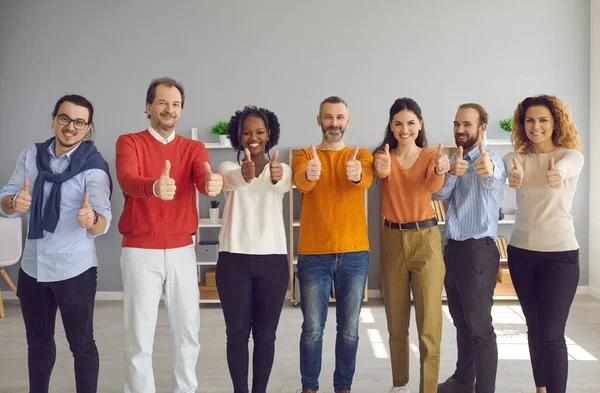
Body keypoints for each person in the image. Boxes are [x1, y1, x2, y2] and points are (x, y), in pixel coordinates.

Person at [115, 77, 223, 393]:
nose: (169, 109)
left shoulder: (193, 148)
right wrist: (153, 187)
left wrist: (212, 184)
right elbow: (126, 179)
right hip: (139, 251)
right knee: (139, 337)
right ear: (148, 107)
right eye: (162, 103)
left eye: (175, 104)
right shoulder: (129, 142)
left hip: (181, 251)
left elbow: (203, 176)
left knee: (188, 333)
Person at [0, 94, 112, 393]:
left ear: (88, 128)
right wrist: (14, 201)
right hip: (33, 267)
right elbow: (6, 198)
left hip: (75, 270)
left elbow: (103, 219)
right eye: (64, 118)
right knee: (37, 345)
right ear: (53, 119)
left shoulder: (94, 166)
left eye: (79, 122)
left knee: (82, 345)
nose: (70, 127)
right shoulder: (31, 154)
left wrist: (92, 220)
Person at [291, 96, 373, 393]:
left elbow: (363, 181)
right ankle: (309, 387)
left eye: (340, 117)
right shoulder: (303, 155)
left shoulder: (361, 154)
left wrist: (356, 174)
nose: (334, 123)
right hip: (314, 256)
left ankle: (343, 387)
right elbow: (302, 182)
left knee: (349, 330)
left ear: (348, 121)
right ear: (319, 120)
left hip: (354, 254)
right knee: (312, 329)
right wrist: (310, 173)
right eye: (328, 117)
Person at [503, 95, 584, 393]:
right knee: (534, 330)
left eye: (543, 120)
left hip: (559, 257)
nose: (535, 126)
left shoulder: (569, 156)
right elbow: (509, 166)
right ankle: (541, 388)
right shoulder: (517, 159)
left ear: (555, 123)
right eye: (529, 120)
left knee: (551, 333)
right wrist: (515, 175)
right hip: (521, 254)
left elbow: (569, 166)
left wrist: (557, 174)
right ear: (522, 125)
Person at [215, 105, 292, 393]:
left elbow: (282, 182)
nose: (253, 137)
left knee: (266, 336)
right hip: (233, 260)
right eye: (246, 132)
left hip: (272, 262)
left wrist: (272, 174)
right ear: (238, 136)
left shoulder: (281, 169)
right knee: (236, 335)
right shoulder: (228, 169)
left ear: (269, 135)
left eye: (259, 132)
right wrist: (245, 175)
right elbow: (234, 180)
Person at [373, 97, 446, 393]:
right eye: (399, 123)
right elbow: (380, 175)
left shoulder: (431, 157)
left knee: (429, 326)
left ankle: (428, 388)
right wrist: (381, 166)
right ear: (391, 126)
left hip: (426, 241)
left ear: (420, 125)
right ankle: (399, 385)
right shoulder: (382, 156)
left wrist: (440, 168)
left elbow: (431, 187)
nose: (405, 129)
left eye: (411, 123)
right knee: (395, 324)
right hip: (392, 239)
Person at [433, 103, 507, 393]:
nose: (460, 130)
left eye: (467, 124)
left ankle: (484, 390)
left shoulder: (493, 159)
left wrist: (486, 169)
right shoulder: (455, 160)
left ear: (482, 128)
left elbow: (495, 179)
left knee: (480, 330)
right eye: (456, 124)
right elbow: (439, 194)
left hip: (478, 252)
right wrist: (451, 172)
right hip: (453, 250)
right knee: (461, 323)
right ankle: (464, 380)